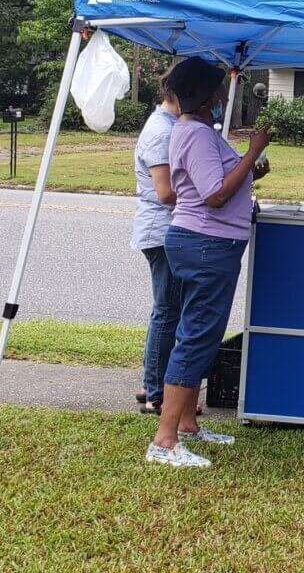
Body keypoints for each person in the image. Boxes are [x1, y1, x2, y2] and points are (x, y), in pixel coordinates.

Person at [145, 56, 271, 468]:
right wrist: (251, 154)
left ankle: (187, 426)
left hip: (205, 244)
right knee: (197, 336)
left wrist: (248, 167)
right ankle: (164, 441)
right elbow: (213, 194)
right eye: (217, 90)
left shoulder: (197, 131)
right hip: (205, 245)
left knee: (198, 334)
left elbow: (218, 182)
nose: (222, 96)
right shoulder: (196, 134)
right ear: (204, 96)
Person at [131, 68, 182, 416]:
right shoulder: (160, 131)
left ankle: (153, 382)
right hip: (161, 232)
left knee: (169, 312)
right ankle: (155, 393)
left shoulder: (171, 126)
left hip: (167, 231)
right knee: (166, 312)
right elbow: (165, 192)